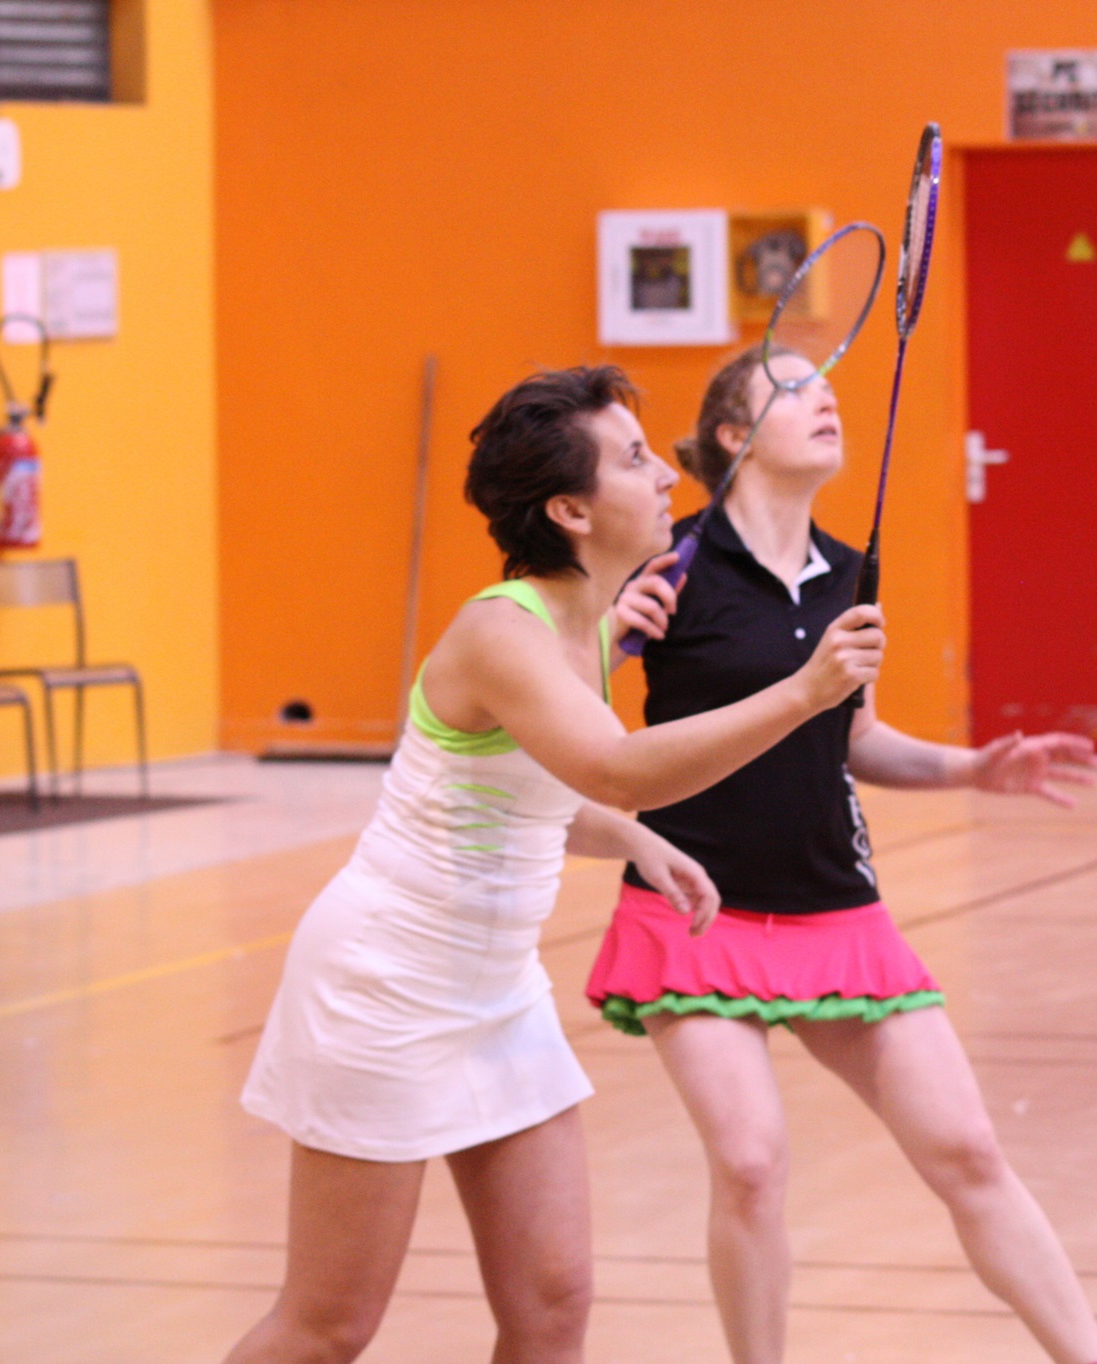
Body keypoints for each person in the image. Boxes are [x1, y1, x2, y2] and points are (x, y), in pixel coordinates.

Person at [225, 365, 885, 1364]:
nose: (667, 475)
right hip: (383, 988)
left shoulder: (588, 626)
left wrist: (637, 841)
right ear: (570, 510)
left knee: (551, 1307)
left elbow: (531, 794)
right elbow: (614, 767)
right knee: (328, 1327)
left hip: (496, 992)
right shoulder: (502, 630)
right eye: (634, 459)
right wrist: (804, 692)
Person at [591, 346, 1097, 1364]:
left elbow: (854, 737)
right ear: (735, 436)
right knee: (751, 1164)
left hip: (835, 909)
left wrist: (975, 768)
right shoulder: (672, 563)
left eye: (827, 386)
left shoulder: (849, 572)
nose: (824, 397)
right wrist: (608, 633)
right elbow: (569, 706)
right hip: (696, 911)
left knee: (967, 1148)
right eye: (792, 388)